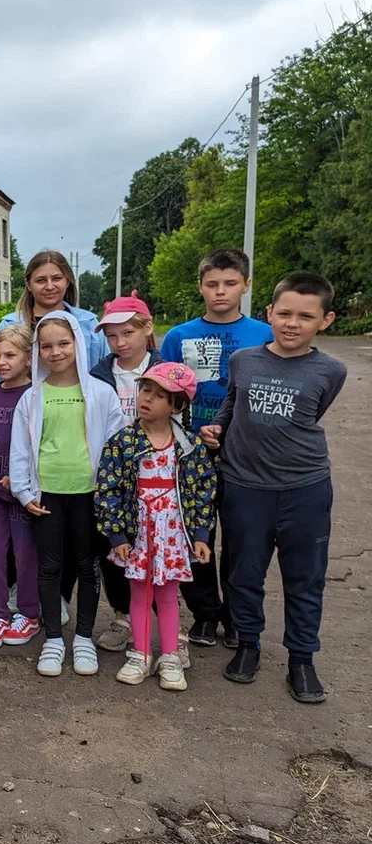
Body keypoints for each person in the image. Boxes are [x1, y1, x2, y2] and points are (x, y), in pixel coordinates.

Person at [201, 273, 347, 704]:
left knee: (305, 578)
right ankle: (247, 644)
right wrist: (220, 426)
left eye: (305, 316)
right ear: (269, 313)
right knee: (243, 572)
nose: (292, 323)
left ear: (325, 320)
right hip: (245, 486)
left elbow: (313, 412)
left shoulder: (330, 370)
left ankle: (302, 658)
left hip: (305, 488)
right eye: (284, 313)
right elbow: (234, 401)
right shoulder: (244, 360)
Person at [161, 248, 273, 649]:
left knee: (243, 538)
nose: (220, 292)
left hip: (246, 454)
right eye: (212, 284)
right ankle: (206, 613)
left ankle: (238, 617)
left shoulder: (264, 334)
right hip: (191, 453)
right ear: (200, 287)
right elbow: (165, 395)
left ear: (246, 284)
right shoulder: (178, 336)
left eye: (230, 284)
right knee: (195, 535)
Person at [10, 312, 124, 677]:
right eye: (46, 346)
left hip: (89, 495)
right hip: (47, 496)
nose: (55, 352)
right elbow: (21, 450)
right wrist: (24, 491)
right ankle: (55, 639)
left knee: (87, 567)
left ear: (77, 344)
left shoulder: (102, 393)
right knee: (50, 568)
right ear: (37, 352)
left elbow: (115, 445)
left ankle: (84, 638)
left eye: (63, 343)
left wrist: (111, 493)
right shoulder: (32, 397)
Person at [96, 364, 216, 692]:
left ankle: (170, 657)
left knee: (166, 595)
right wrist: (117, 534)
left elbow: (202, 491)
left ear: (177, 406)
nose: (147, 399)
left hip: (173, 534)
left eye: (159, 395)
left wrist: (201, 535)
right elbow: (109, 490)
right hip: (139, 534)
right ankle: (140, 654)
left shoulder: (189, 445)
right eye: (145, 390)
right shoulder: (122, 442)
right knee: (138, 593)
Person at [88, 290, 162, 654]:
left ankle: (165, 619)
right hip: (112, 478)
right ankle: (123, 615)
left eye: (127, 333)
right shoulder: (96, 376)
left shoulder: (167, 373)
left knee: (161, 546)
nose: (119, 342)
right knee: (114, 546)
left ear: (147, 329)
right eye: (111, 335)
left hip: (157, 477)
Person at [0, 325, 42, 650]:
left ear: (28, 358)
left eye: (10, 355)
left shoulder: (35, 395)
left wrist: (21, 477)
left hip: (23, 495)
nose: (2, 361)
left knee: (25, 554)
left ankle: (30, 613)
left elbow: (41, 444)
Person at [0, 250, 109, 364]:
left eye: (56, 278)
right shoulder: (9, 325)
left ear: (67, 281)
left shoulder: (88, 324)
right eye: (41, 280)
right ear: (28, 284)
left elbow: (106, 372)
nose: (49, 286)